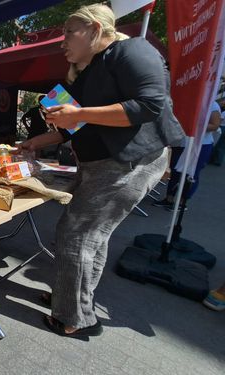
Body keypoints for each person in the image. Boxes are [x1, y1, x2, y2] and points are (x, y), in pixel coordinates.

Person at [18, 4, 184, 338]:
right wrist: (34, 142)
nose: (62, 41)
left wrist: (80, 114)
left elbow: (149, 105)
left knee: (76, 233)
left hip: (128, 162)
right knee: (93, 235)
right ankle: (74, 300)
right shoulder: (88, 71)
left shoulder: (132, 49)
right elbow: (70, 126)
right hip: (102, 163)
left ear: (95, 29)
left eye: (68, 32)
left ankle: (72, 317)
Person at [153, 101, 221, 210]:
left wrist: (193, 127)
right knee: (175, 172)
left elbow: (214, 125)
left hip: (201, 145)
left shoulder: (211, 104)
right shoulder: (187, 98)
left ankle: (181, 202)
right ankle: (169, 199)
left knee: (191, 174)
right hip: (181, 143)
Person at [209, 99, 225, 166]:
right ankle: (219, 160)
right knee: (223, 145)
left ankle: (213, 159)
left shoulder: (224, 113)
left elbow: (219, 120)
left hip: (222, 128)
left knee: (218, 144)